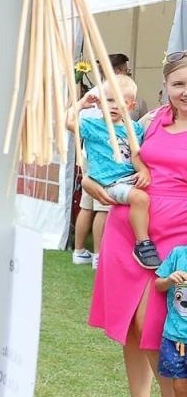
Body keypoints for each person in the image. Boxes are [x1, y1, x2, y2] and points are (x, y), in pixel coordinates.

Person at [90, 52, 187, 397]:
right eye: (179, 84)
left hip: (176, 234)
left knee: (156, 321)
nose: (185, 92)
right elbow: (106, 153)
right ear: (165, 85)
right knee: (129, 319)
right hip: (129, 223)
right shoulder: (152, 121)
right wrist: (93, 185)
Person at [68, 74, 153, 268]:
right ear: (99, 103)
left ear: (131, 106)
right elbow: (67, 122)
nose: (114, 106)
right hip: (108, 183)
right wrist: (81, 103)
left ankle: (121, 250)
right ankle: (143, 245)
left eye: (121, 102)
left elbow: (135, 156)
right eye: (109, 100)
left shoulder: (135, 129)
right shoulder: (92, 126)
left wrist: (143, 171)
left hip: (128, 179)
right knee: (139, 200)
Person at [73, 54, 133, 266]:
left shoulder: (101, 90)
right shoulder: (105, 92)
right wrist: (81, 104)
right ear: (116, 70)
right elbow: (72, 123)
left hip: (94, 160)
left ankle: (80, 250)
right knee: (101, 208)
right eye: (124, 68)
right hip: (105, 164)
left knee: (88, 206)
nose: (126, 71)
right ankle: (98, 255)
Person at [151, 246, 187, 397]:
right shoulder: (178, 254)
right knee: (179, 386)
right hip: (174, 336)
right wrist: (169, 280)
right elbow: (158, 285)